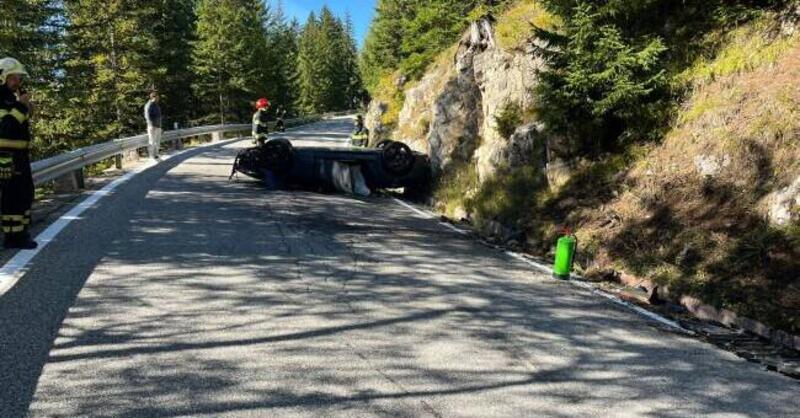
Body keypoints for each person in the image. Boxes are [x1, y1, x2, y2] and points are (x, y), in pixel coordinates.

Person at [0, 57, 37, 249]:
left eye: (19, 78)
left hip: (20, 155)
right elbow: (6, 127)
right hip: (6, 155)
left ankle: (22, 232)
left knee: (24, 192)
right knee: (13, 196)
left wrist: (27, 109)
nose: (18, 82)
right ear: (3, 77)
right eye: (13, 78)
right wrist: (21, 106)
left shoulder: (12, 98)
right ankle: (13, 237)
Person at [144, 90, 162, 159]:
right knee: (152, 141)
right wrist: (151, 125)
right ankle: (151, 155)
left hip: (158, 126)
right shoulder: (149, 105)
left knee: (157, 141)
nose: (158, 98)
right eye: (157, 97)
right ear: (153, 97)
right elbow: (147, 116)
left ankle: (156, 155)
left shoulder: (156, 105)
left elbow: (158, 116)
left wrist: (160, 126)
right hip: (152, 126)